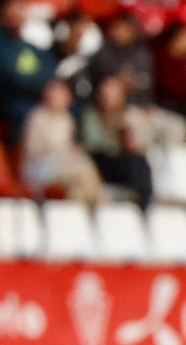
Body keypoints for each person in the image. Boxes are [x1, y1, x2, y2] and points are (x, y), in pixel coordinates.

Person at [80, 10, 186, 149]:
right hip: (121, 109)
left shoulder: (142, 53)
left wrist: (148, 105)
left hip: (145, 107)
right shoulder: (104, 53)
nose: (122, 31)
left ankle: (169, 161)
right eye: (120, 26)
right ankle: (143, 160)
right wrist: (125, 84)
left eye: (128, 28)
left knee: (177, 125)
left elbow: (147, 84)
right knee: (136, 124)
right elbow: (107, 87)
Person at [22, 78, 103, 203]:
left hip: (63, 165)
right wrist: (63, 153)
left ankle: (88, 207)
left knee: (86, 171)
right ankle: (83, 208)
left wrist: (73, 151)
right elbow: (33, 150)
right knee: (82, 171)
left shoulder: (67, 119)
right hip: (39, 167)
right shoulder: (37, 117)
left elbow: (68, 147)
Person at [79, 74, 155, 206]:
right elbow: (93, 142)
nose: (109, 97)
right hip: (101, 159)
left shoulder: (127, 114)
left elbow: (141, 142)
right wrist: (116, 141)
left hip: (122, 160)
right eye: (106, 94)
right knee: (134, 164)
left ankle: (143, 202)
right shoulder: (91, 114)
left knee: (139, 162)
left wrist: (130, 141)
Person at [0, 0, 58, 142]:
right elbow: (14, 77)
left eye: (20, 7)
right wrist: (39, 82)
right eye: (10, 7)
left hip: (34, 109)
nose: (15, 12)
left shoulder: (29, 47)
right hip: (11, 113)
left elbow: (51, 74)